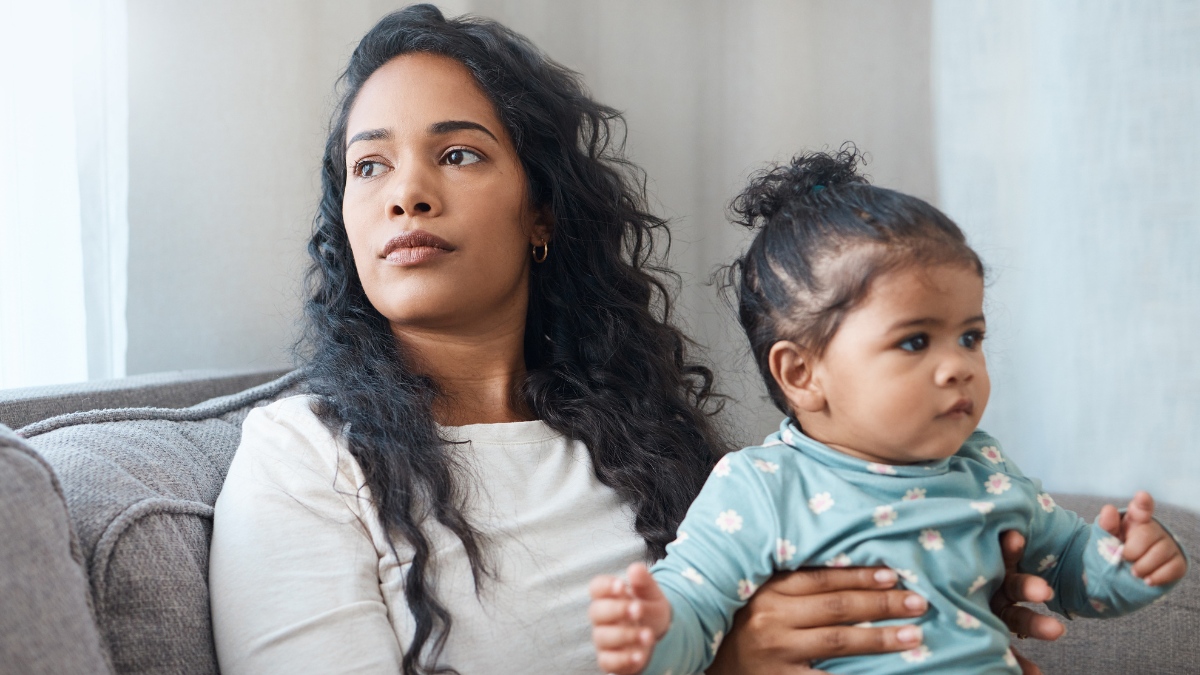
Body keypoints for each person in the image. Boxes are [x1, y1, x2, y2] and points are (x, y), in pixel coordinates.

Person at [210, 6, 1064, 674]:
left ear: (541, 212)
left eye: (460, 155)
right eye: (370, 166)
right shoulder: (303, 459)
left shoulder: (639, 435)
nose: (407, 195)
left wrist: (929, 596)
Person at [588, 148, 1189, 674]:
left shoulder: (986, 471)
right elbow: (693, 616)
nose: (958, 365)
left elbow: (1077, 572)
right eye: (914, 341)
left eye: (970, 337)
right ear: (802, 374)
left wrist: (1131, 564)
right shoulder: (761, 488)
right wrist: (651, 632)